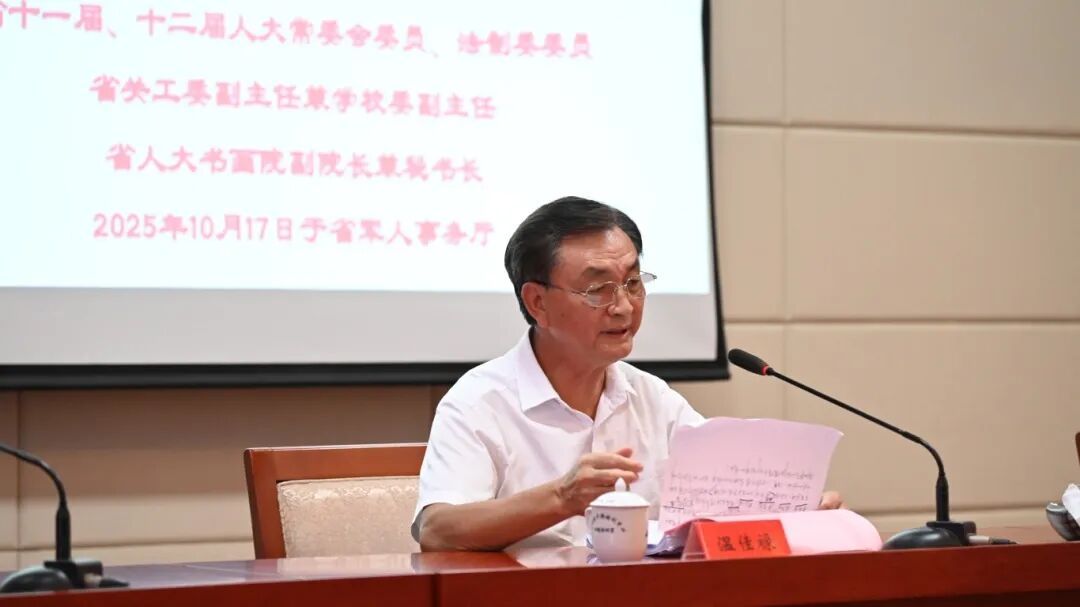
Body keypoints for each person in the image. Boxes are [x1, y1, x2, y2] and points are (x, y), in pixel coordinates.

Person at [412, 196, 842, 551]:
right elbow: (438, 530)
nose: (623, 306)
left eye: (633, 283)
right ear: (537, 302)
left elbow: (722, 504)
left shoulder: (654, 399)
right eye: (598, 289)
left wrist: (792, 511)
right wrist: (561, 498)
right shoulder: (479, 401)